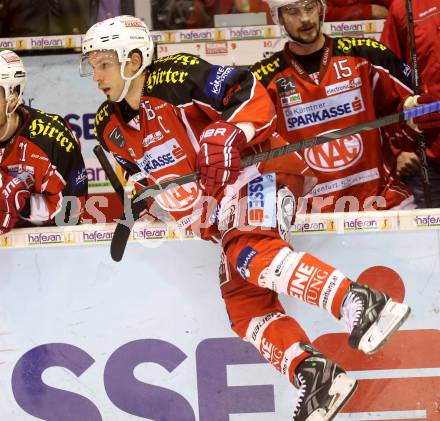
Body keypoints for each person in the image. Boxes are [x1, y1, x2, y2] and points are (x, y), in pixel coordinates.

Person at [81, 15, 412, 420]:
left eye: (103, 63)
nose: (96, 75)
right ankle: (317, 374)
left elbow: (251, 93)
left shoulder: (176, 77)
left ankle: (362, 303)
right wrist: (145, 199)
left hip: (260, 171)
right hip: (219, 210)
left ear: (133, 59)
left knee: (249, 252)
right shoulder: (106, 122)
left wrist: (229, 132)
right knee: (243, 305)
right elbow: (134, 173)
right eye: (92, 65)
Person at [250, 0, 440, 213]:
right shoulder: (262, 79)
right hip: (310, 215)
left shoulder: (367, 54)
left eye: (309, 7)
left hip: (382, 203)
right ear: (278, 17)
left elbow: (401, 114)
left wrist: (414, 115)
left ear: (321, 7)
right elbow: (252, 146)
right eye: (292, 11)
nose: (304, 18)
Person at [0, 50, 87, 235]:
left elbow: (71, 214)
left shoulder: (53, 139)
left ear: (13, 96)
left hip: (40, 250)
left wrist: (25, 206)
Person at [381, 0, 440, 208]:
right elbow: (386, 83)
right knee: (432, 239)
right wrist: (395, 152)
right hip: (426, 157)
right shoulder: (404, 6)